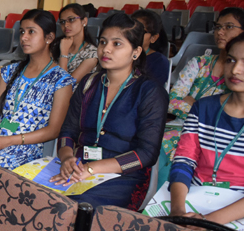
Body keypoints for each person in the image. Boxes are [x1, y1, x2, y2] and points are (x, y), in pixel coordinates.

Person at [51, 13, 168, 211]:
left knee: (71, 209)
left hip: (123, 176)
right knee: (34, 195)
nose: (106, 49)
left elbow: (146, 154)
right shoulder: (88, 83)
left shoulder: (149, 91)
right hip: (78, 166)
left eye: (117, 44)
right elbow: (68, 131)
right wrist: (67, 159)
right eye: (103, 42)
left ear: (136, 52)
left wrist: (92, 168)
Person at [0, 10, 75, 169]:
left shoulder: (61, 80)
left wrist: (10, 140)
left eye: (31, 32)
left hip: (24, 149)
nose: (24, 37)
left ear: (49, 38)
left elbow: (54, 130)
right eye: (22, 32)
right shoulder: (10, 71)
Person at [160, 7, 244, 183]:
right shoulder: (199, 63)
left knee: (168, 146)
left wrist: (194, 104)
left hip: (216, 135)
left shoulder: (240, 77)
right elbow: (172, 100)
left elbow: (229, 114)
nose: (220, 32)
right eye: (218, 27)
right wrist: (200, 109)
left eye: (228, 26)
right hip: (181, 126)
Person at [169, 30, 244, 224]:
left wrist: (207, 221)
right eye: (230, 60)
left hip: (240, 212)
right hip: (193, 199)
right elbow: (184, 161)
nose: (235, 70)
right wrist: (178, 210)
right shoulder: (203, 108)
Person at [54, 3, 98, 84]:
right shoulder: (56, 44)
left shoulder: (92, 53)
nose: (66, 25)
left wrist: (63, 53)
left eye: (71, 20)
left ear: (84, 21)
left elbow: (66, 84)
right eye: (62, 22)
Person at [131, 9, 170, 88]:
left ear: (153, 38)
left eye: (141, 31)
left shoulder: (159, 62)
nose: (133, 34)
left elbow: (150, 90)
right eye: (131, 30)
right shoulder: (118, 53)